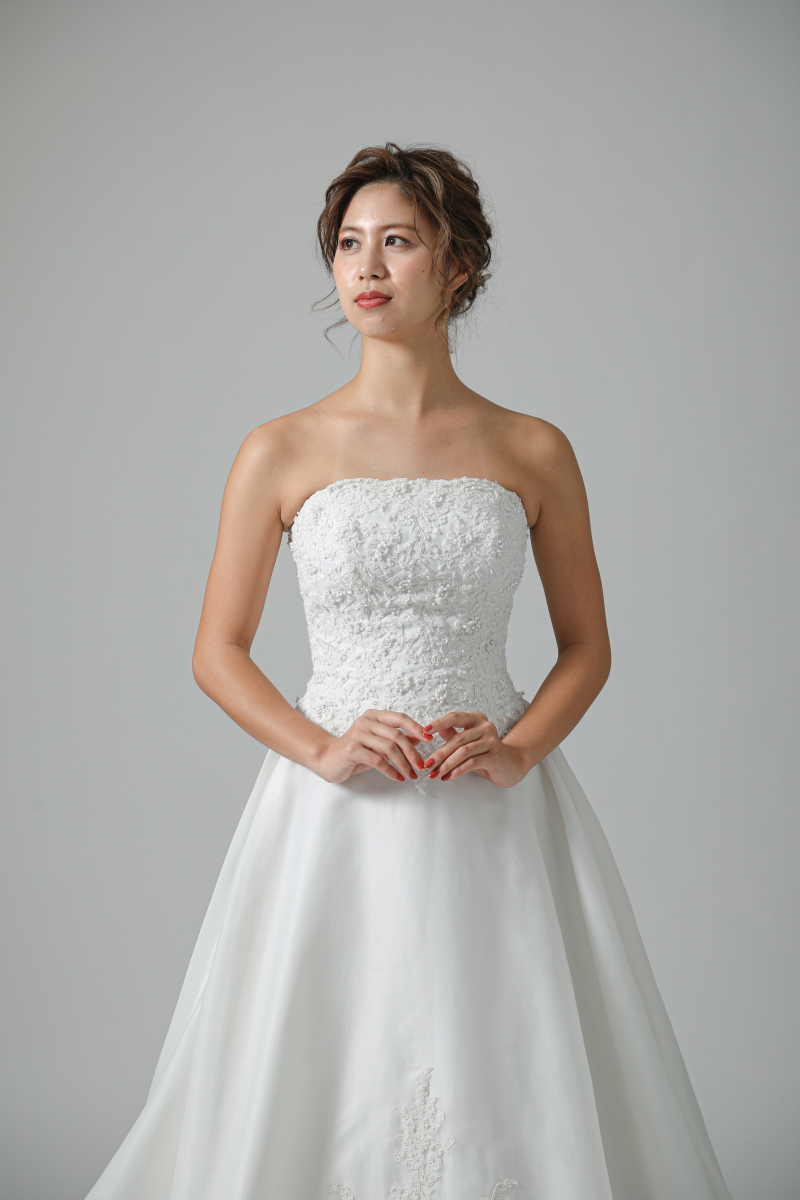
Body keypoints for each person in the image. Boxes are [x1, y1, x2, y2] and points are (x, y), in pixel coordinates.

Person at [86, 143, 733, 1200]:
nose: (367, 267)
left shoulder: (532, 448)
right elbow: (216, 650)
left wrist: (519, 749)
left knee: (512, 1052)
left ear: (457, 264)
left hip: (495, 804)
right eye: (348, 245)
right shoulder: (279, 449)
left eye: (397, 241)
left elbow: (587, 646)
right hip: (333, 810)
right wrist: (320, 748)